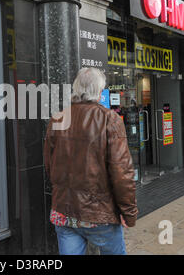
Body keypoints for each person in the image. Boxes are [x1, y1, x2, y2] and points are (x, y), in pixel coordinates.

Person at [43, 68, 138, 255]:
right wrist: (129, 213)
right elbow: (122, 173)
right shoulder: (109, 119)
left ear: (76, 88)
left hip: (64, 211)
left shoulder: (57, 119)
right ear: (100, 91)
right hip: (99, 214)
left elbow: (49, 166)